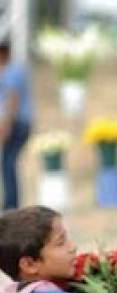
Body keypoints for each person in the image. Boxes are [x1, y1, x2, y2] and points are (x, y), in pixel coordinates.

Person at [0, 41, 33, 210]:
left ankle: (11, 204)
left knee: (8, 163)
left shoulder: (10, 73)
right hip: (18, 123)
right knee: (8, 163)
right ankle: (11, 202)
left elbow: (12, 100)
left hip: (16, 124)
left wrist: (6, 125)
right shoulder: (14, 71)